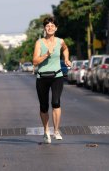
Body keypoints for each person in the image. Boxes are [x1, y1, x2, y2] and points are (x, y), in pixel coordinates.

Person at [32, 16, 71, 144]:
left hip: (57, 76)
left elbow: (65, 49)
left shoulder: (60, 41)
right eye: (47, 26)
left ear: (56, 28)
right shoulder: (39, 43)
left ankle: (56, 131)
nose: (50, 28)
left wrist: (66, 59)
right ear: (45, 28)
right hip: (42, 77)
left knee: (56, 102)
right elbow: (35, 61)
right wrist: (46, 54)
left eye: (52, 26)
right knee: (44, 107)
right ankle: (46, 131)